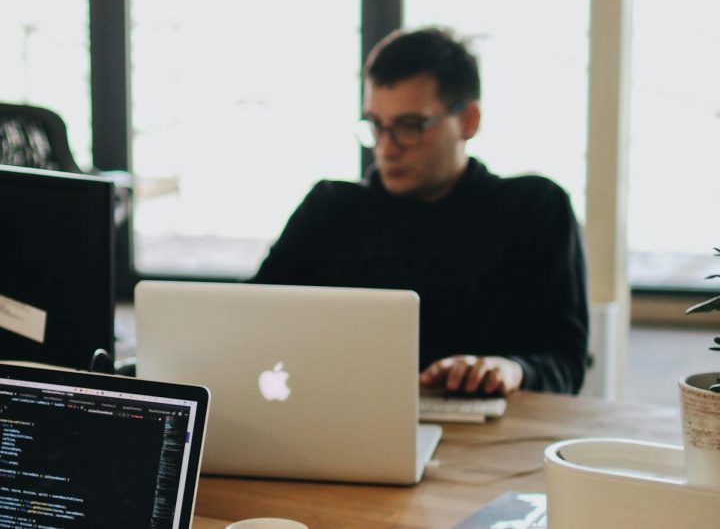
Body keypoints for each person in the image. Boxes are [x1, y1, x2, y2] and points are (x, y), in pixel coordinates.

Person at [249, 27, 589, 395]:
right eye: (377, 126)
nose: (387, 148)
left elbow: (566, 364)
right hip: (345, 426)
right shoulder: (329, 209)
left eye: (410, 126)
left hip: (491, 439)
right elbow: (248, 321)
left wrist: (511, 369)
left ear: (469, 121)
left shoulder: (534, 209)